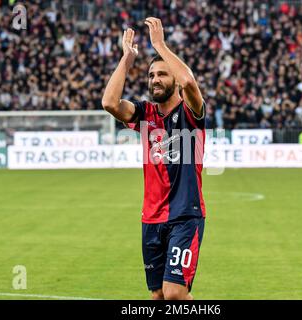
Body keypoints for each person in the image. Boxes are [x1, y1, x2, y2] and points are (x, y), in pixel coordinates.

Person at [101, 17, 206, 300]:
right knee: (158, 295)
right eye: (151, 76)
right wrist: (126, 58)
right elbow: (109, 103)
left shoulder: (191, 114)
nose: (155, 80)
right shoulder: (145, 114)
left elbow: (189, 82)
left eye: (162, 74)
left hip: (185, 215)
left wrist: (159, 45)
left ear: (173, 80)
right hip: (151, 218)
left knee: (174, 293)